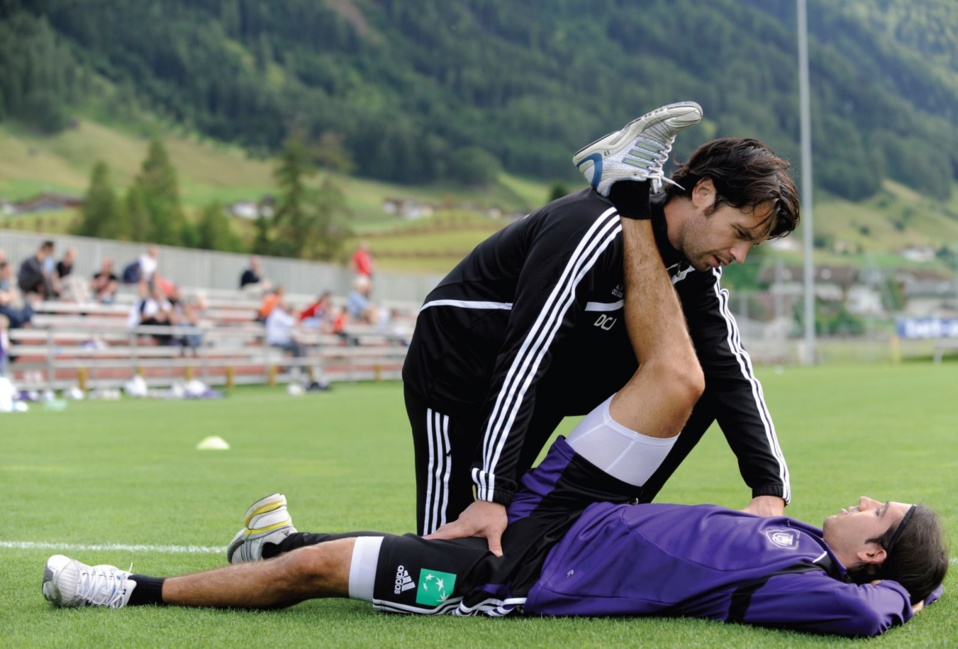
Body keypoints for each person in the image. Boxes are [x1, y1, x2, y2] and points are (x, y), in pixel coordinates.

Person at [404, 102, 801, 553]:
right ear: (704, 193)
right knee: (442, 559)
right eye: (740, 233)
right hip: (459, 370)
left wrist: (768, 487)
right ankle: (306, 547)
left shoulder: (693, 269)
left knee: (696, 373)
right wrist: (493, 491)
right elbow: (525, 356)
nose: (739, 255)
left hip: (551, 379)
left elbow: (731, 369)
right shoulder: (595, 227)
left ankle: (604, 523)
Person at [40, 478, 947, 637]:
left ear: (871, 553)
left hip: (523, 583)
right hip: (555, 531)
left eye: (878, 510)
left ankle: (124, 591)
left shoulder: (811, 585)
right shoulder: (794, 539)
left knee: (318, 580)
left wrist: (909, 596)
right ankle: (280, 538)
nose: (862, 498)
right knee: (390, 543)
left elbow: (869, 615)